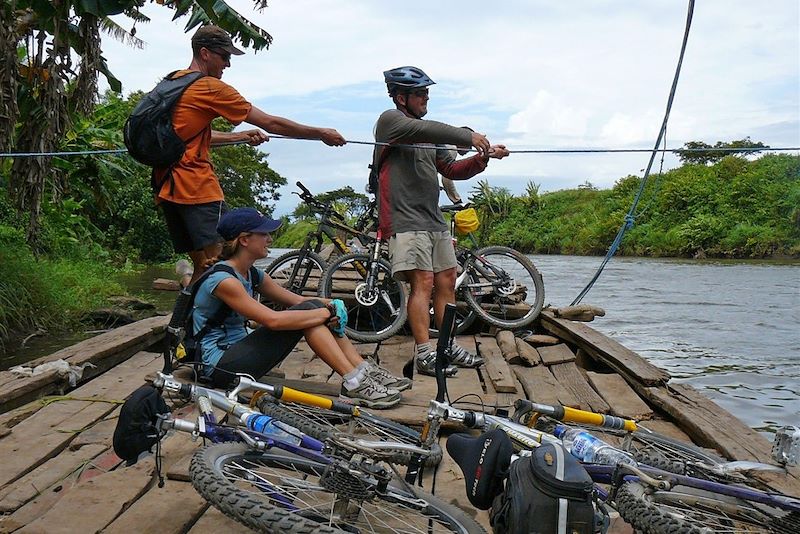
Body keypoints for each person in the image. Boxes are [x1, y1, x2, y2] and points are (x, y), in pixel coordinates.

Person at [156, 25, 346, 286]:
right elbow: (272, 123)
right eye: (224, 56)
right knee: (225, 264)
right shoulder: (209, 87)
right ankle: (232, 324)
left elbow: (188, 137)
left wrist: (240, 136)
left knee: (202, 268)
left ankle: (182, 326)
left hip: (166, 186)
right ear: (204, 53)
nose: (228, 64)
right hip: (195, 186)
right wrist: (320, 133)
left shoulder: (173, 81)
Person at [192, 207, 410, 408]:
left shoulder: (252, 274)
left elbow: (297, 301)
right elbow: (272, 321)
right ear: (245, 240)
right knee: (313, 314)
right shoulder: (224, 280)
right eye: (264, 234)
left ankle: (361, 372)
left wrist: (333, 304)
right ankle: (355, 381)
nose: (270, 239)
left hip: (238, 352)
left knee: (312, 311)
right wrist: (325, 312)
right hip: (218, 367)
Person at [374, 66, 510, 376]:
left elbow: (451, 169)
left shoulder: (428, 137)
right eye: (420, 94)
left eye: (427, 94)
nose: (425, 99)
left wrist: (482, 158)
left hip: (433, 219)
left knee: (448, 279)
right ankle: (424, 352)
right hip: (405, 218)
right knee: (422, 283)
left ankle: (447, 345)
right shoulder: (390, 122)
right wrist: (468, 135)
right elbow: (428, 130)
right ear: (400, 97)